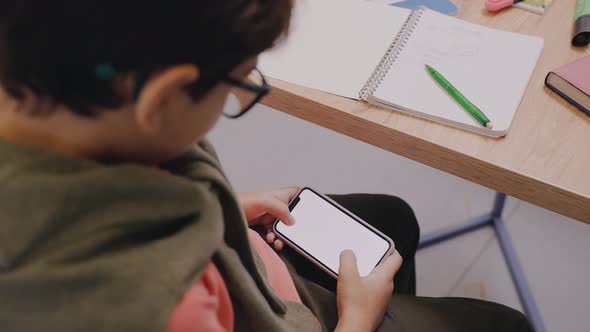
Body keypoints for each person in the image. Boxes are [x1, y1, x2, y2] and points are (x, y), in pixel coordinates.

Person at [0, 1, 533, 331]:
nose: (242, 95)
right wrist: (358, 319)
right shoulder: (160, 307)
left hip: (243, 265)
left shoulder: (40, 106)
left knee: (392, 218)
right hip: (277, 309)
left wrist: (223, 206)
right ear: (161, 99)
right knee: (500, 324)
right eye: (241, 83)